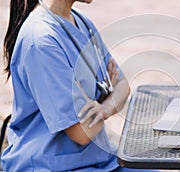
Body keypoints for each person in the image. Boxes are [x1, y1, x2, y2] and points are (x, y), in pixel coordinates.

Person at [0, 0, 154, 171]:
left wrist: (103, 109)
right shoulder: (41, 40)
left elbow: (123, 85)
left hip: (97, 160)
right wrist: (108, 97)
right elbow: (81, 132)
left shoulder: (81, 21)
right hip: (50, 166)